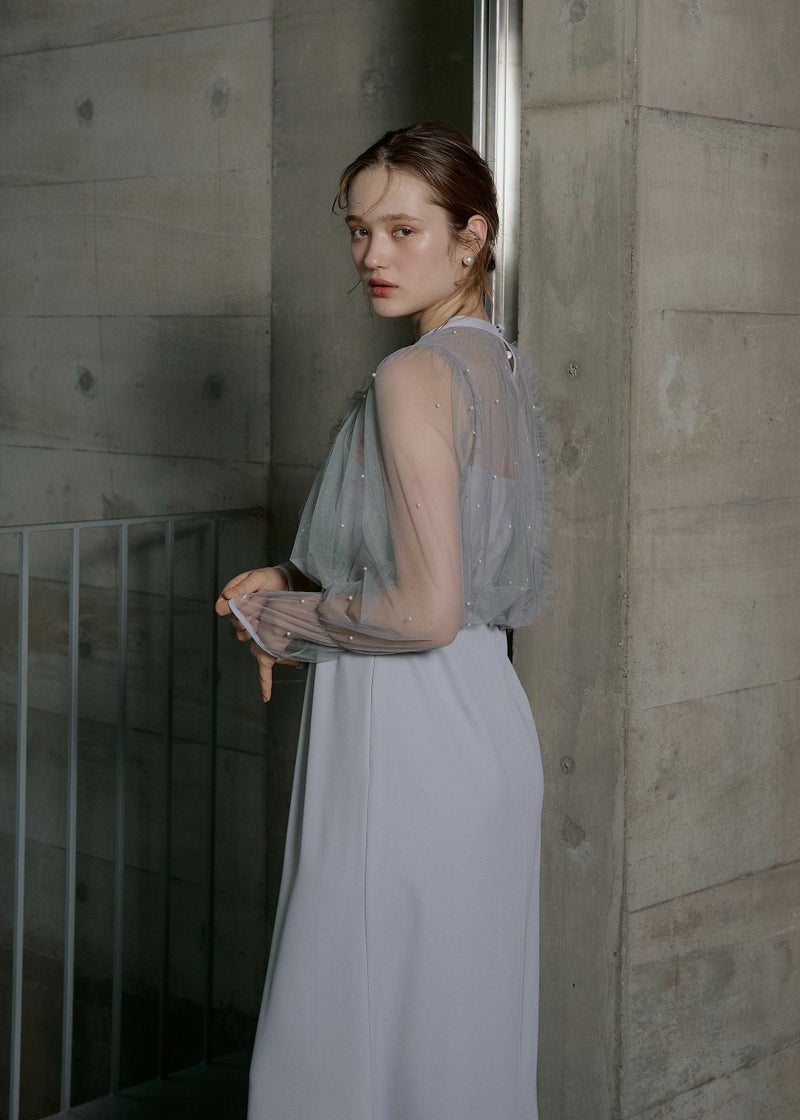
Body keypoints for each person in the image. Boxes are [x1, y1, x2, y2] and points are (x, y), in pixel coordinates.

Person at [215, 122, 551, 1120]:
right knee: (451, 1046)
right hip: (482, 721)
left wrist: (280, 615)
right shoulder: (496, 365)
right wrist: (292, 574)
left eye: (404, 230)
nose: (372, 254)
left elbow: (424, 608)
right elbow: (444, 561)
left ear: (471, 235)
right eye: (360, 230)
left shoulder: (412, 376)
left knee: (345, 1048)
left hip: (405, 734)